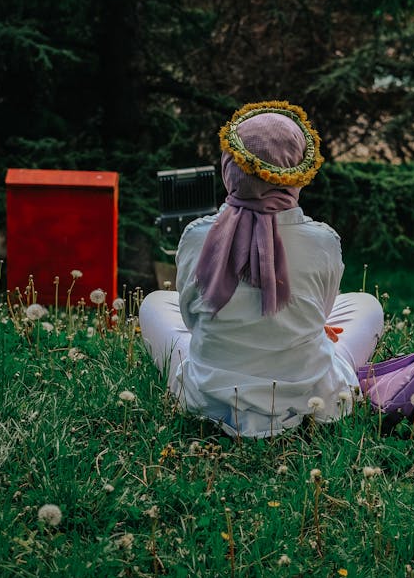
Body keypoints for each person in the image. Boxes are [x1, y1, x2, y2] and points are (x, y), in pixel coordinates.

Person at [139, 101, 385, 438]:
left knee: (154, 302)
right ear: (299, 172)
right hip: (307, 394)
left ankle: (225, 354)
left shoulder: (197, 235)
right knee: (366, 306)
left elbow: (189, 319)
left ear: (230, 165)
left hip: (209, 394)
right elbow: (324, 315)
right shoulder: (324, 240)